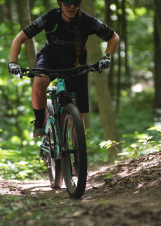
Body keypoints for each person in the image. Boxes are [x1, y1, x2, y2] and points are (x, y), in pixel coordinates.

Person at [9, 0, 119, 137]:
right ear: (60, 3)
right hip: (50, 58)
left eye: (75, 2)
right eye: (67, 2)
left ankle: (78, 152)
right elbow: (19, 39)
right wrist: (12, 63)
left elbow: (114, 37)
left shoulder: (87, 20)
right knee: (39, 83)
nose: (71, 6)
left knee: (79, 112)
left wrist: (106, 57)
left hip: (76, 62)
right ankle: (39, 121)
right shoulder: (50, 18)